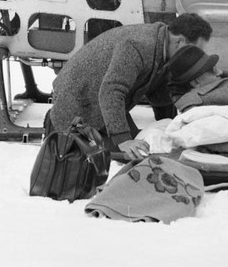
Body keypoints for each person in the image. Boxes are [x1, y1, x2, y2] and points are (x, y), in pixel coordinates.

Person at [48, 13, 213, 160]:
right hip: (75, 108)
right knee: (136, 154)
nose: (196, 57)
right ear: (181, 41)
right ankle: (58, 132)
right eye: (195, 50)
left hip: (100, 104)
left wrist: (172, 128)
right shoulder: (138, 45)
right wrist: (123, 140)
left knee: (147, 146)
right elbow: (112, 91)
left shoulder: (162, 46)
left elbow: (160, 94)